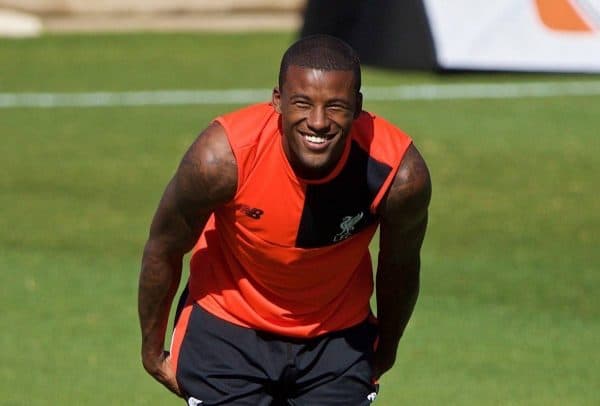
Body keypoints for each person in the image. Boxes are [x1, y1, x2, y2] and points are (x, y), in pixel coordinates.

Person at [138, 34, 431, 405]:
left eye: (336, 106)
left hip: (337, 342)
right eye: (302, 103)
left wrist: (386, 347)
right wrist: (152, 350)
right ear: (278, 101)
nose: (318, 122)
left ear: (357, 106)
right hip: (226, 335)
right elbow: (164, 246)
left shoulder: (398, 175)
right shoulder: (220, 159)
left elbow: (400, 267)